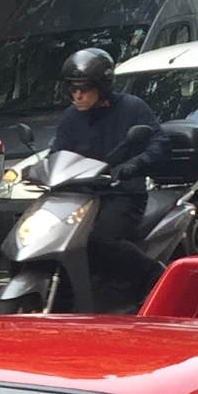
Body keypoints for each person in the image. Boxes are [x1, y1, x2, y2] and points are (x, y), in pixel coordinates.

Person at [46, 47, 168, 310]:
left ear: (101, 86)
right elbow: (58, 151)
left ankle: (154, 276)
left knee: (101, 240)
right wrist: (44, 169)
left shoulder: (132, 108)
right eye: (72, 89)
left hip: (123, 194)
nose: (76, 95)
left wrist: (133, 165)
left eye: (83, 89)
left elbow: (158, 143)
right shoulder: (70, 117)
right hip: (80, 196)